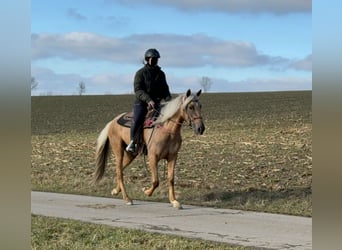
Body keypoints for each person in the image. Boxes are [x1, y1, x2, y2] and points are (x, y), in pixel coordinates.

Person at [126, 48, 172, 153]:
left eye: (156, 59)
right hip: (142, 103)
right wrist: (148, 100)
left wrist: (169, 101)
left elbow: (165, 89)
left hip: (157, 103)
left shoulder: (161, 74)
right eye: (153, 58)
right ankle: (133, 142)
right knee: (137, 119)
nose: (155, 60)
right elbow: (138, 90)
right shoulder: (140, 73)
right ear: (147, 59)